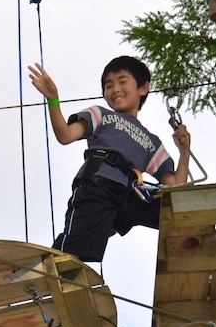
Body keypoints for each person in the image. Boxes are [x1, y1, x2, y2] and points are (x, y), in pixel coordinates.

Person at [27, 55, 192, 262]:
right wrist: (53, 100)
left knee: (179, 210)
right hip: (100, 184)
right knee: (73, 250)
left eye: (122, 82)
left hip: (130, 195)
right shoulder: (101, 114)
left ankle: (195, 251)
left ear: (143, 88)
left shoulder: (152, 142)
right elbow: (65, 135)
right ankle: (55, 271)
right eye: (109, 85)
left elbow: (177, 185)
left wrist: (184, 150)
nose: (115, 89)